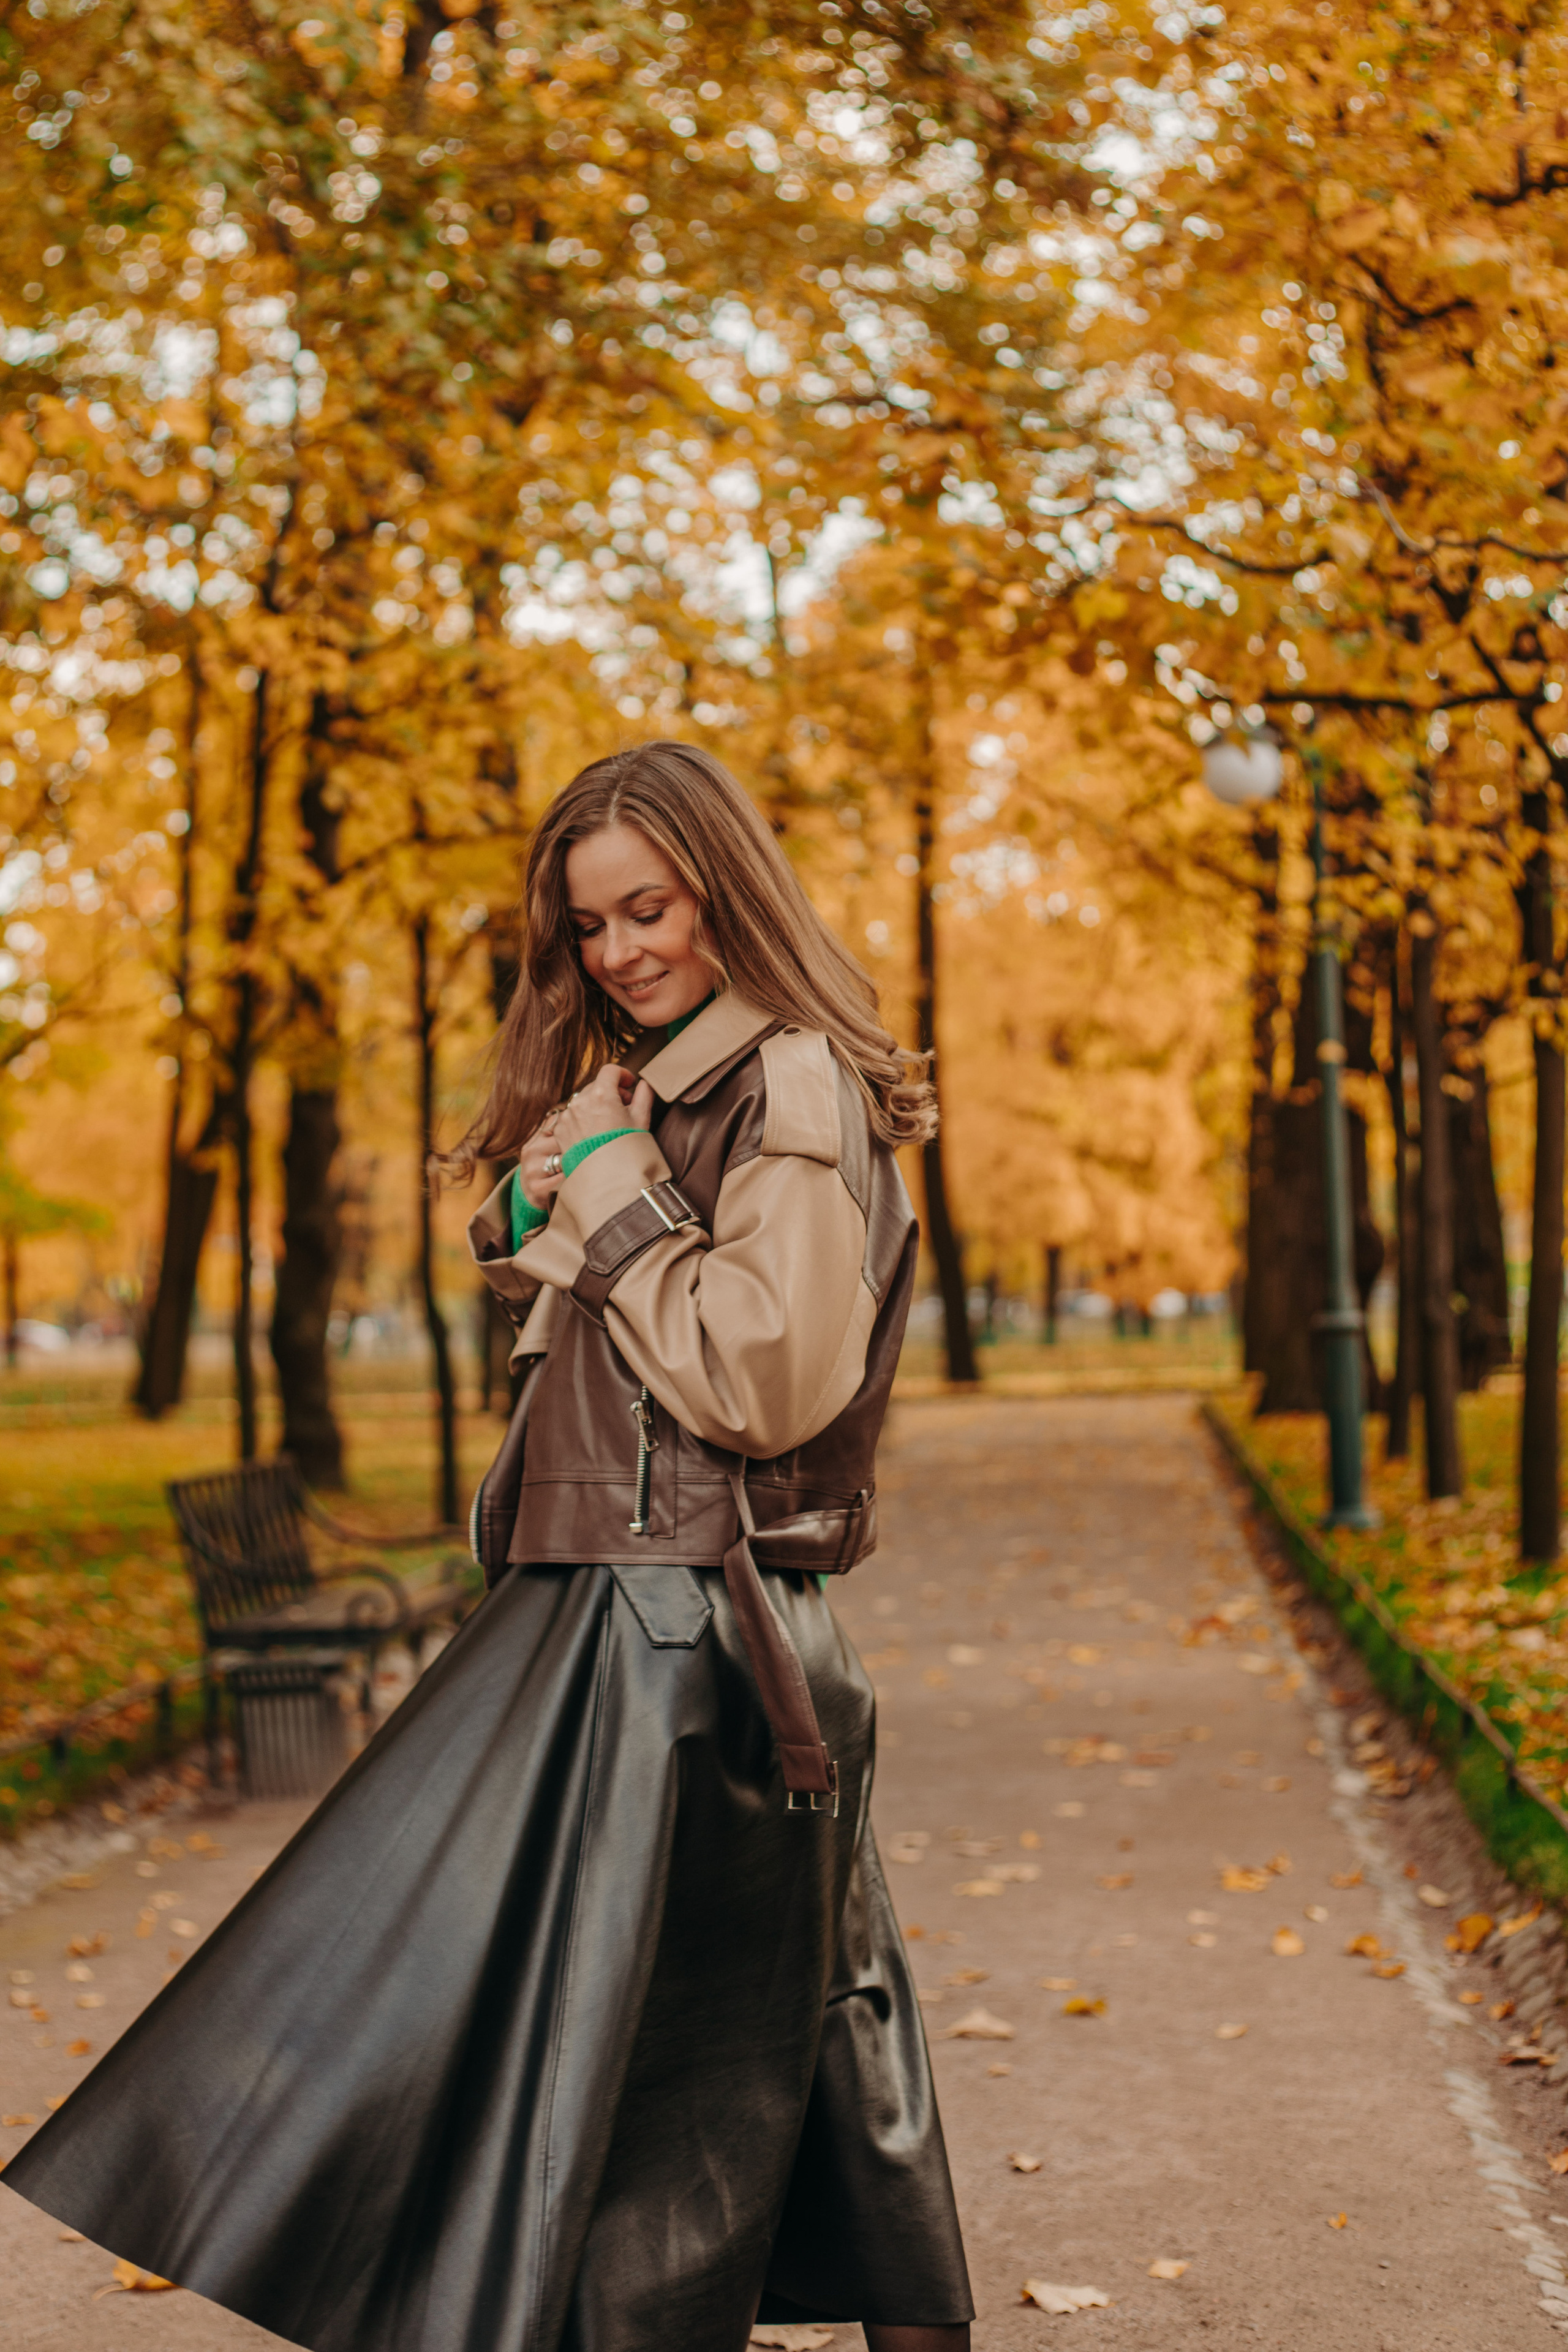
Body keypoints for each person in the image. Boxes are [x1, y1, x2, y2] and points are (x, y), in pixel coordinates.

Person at [7, 741, 973, 2352]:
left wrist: (610, 1204)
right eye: (590, 929)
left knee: (563, 2071)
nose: (622, 954)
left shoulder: (781, 1081)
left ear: (726, 887)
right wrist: (574, 1201)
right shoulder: (664, 1096)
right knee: (805, 2034)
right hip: (671, 1629)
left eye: (650, 908)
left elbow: (760, 1375)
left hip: (666, 1639)